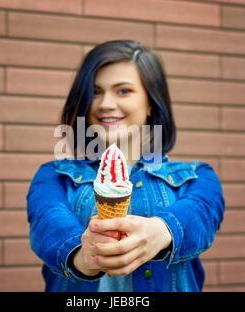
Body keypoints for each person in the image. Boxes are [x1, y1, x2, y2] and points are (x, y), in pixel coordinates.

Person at [26, 40, 225, 292]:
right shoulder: (53, 177)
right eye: (96, 91)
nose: (106, 103)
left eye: (123, 91)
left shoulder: (197, 178)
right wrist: (82, 255)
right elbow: (48, 221)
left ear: (152, 101)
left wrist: (161, 231)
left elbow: (200, 213)